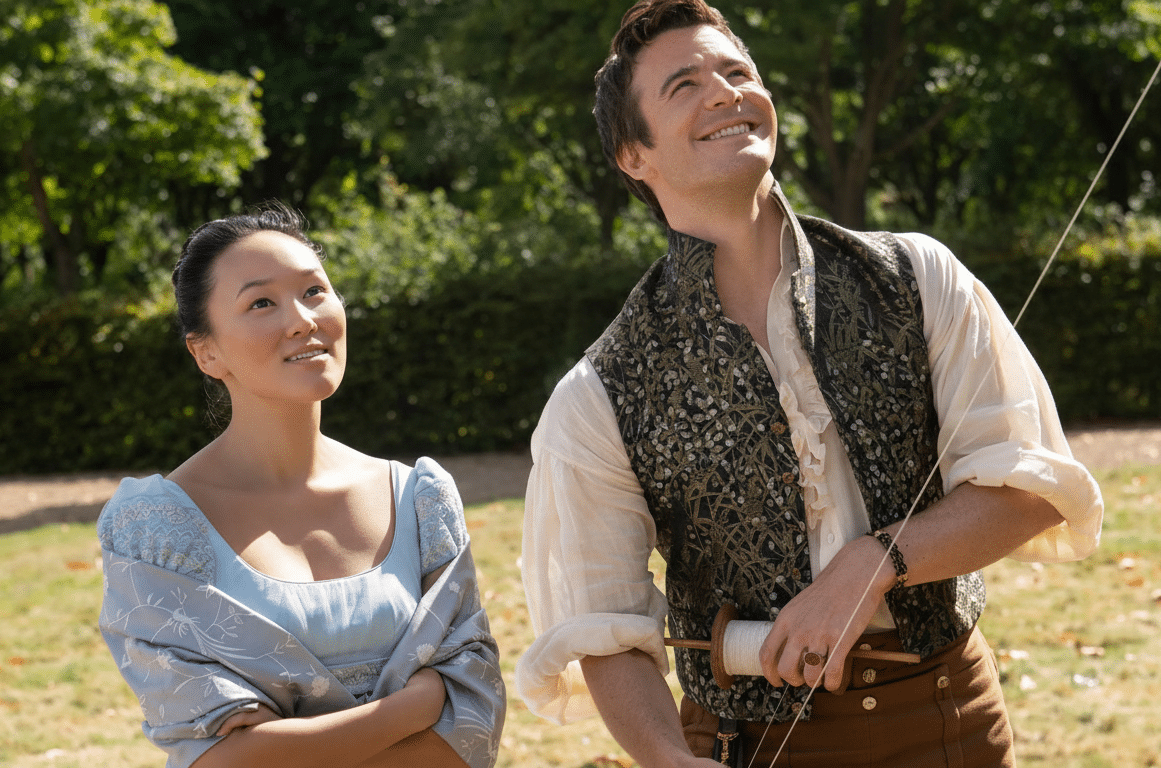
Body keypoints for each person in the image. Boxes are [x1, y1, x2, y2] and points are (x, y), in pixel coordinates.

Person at [516, 2, 1104, 767]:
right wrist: (667, 758)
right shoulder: (596, 393)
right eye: (684, 85)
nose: (724, 92)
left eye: (737, 72)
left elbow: (1030, 491)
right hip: (748, 746)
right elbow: (604, 627)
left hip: (948, 719)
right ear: (633, 154)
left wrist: (877, 559)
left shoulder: (918, 278)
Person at [96, 203, 505, 768]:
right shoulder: (157, 528)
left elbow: (473, 727)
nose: (302, 319)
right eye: (261, 302)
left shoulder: (420, 500)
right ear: (206, 351)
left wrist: (286, 742)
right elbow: (221, 759)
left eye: (314, 291)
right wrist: (413, 707)